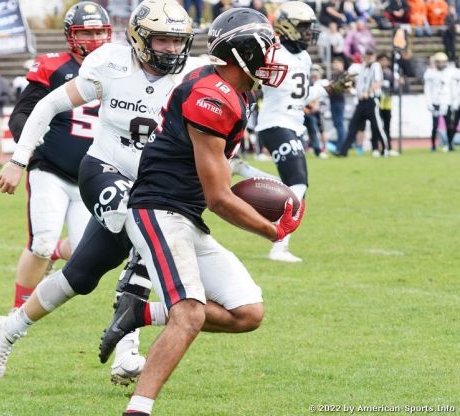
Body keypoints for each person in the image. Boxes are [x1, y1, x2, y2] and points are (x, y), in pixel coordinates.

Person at [0, 0, 196, 386]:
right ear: (139, 37)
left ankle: (9, 327)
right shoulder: (112, 65)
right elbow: (48, 105)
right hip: (102, 168)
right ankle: (128, 351)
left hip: (148, 182)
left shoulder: (191, 77)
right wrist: (19, 159)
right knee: (144, 232)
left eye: (177, 41)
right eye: (162, 40)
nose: (171, 49)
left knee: (80, 277)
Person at [115, 9, 303, 415]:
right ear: (243, 54)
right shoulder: (212, 96)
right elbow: (219, 197)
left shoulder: (235, 90)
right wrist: (273, 230)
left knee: (249, 312)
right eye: (266, 48)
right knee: (190, 313)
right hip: (159, 209)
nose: (273, 56)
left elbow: (220, 174)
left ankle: (141, 310)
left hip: (186, 215)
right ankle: (138, 409)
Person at [5, 0, 111, 321]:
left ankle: (54, 253)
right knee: (40, 242)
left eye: (99, 32)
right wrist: (25, 152)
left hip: (90, 176)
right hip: (49, 168)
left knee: (83, 255)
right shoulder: (54, 66)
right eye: (86, 32)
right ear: (70, 35)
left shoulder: (118, 68)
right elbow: (22, 114)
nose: (94, 40)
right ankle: (19, 308)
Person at [255, 1, 344, 262]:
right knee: (298, 183)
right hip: (275, 124)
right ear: (287, 27)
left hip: (293, 125)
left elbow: (302, 96)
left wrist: (327, 88)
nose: (309, 32)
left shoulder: (303, 58)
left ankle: (242, 169)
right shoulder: (272, 53)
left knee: (294, 184)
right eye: (303, 27)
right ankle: (278, 245)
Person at [335, 49, 390, 156]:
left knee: (377, 126)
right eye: (367, 55)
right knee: (353, 126)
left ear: (373, 56)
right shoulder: (363, 67)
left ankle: (385, 149)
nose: (368, 57)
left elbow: (378, 82)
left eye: (370, 55)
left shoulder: (375, 66)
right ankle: (343, 152)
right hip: (361, 102)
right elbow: (358, 82)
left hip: (371, 100)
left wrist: (368, 92)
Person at [423, 52, 454, 151]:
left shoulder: (450, 72)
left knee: (449, 125)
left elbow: (453, 87)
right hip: (435, 102)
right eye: (439, 62)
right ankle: (433, 145)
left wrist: (453, 101)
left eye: (443, 62)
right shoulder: (430, 73)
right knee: (435, 126)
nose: (441, 64)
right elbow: (427, 89)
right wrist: (429, 102)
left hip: (446, 101)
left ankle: (449, 144)